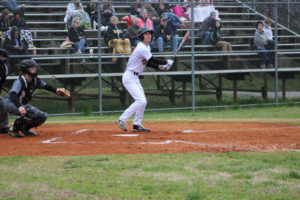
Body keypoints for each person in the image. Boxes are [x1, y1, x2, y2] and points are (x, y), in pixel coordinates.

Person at [116, 27, 174, 132]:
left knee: (143, 102)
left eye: (150, 34)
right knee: (141, 100)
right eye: (146, 34)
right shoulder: (141, 47)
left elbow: (149, 63)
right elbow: (153, 59)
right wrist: (166, 62)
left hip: (135, 77)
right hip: (129, 77)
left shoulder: (147, 48)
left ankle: (136, 124)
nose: (149, 36)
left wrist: (160, 68)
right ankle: (122, 119)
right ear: (142, 36)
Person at [4, 59, 70, 138]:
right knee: (30, 111)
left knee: (42, 116)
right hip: (11, 104)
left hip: (22, 105)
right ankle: (13, 130)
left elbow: (46, 86)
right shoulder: (20, 81)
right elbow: (12, 94)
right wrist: (19, 107)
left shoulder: (35, 80)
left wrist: (56, 91)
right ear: (26, 70)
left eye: (34, 68)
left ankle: (25, 128)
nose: (34, 70)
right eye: (32, 68)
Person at [0, 49, 9, 134]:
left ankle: (3, 126)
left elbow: (2, 82)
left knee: (4, 104)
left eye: (2, 56)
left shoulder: (4, 68)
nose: (1, 57)